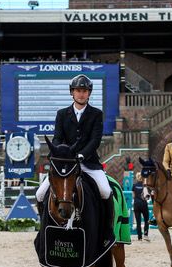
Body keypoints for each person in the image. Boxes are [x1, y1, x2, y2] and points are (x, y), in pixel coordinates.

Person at [35, 74, 114, 241]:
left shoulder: (96, 114)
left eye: (85, 91)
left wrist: (82, 155)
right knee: (40, 194)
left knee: (106, 191)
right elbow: (57, 138)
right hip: (66, 164)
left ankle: (107, 231)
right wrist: (58, 151)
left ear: (89, 93)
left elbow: (95, 140)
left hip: (88, 163)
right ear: (72, 92)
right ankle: (43, 230)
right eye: (78, 90)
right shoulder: (62, 114)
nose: (81, 94)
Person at [132, 173, 150, 242]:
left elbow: (133, 196)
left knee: (138, 222)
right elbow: (147, 197)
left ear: (137, 178)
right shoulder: (145, 186)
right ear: (142, 178)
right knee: (146, 220)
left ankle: (139, 237)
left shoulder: (134, 186)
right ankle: (145, 235)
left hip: (136, 204)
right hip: (143, 204)